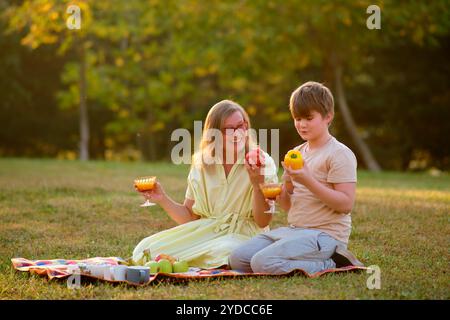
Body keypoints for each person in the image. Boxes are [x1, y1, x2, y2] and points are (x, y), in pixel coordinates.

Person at [229, 81, 364, 275]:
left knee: (262, 263)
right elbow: (289, 206)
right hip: (295, 230)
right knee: (238, 259)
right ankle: (302, 258)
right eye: (297, 118)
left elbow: (345, 205)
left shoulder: (339, 154)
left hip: (326, 236)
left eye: (308, 118)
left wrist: (308, 180)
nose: (301, 124)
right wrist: (266, 187)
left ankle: (333, 263)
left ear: (328, 117)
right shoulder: (296, 153)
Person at [132, 100, 278, 269]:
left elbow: (263, 221)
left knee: (227, 250)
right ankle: (205, 261)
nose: (237, 133)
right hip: (206, 231)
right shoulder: (202, 163)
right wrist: (162, 198)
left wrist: (257, 183)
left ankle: (199, 260)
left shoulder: (262, 162)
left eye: (241, 126)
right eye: (229, 129)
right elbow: (190, 216)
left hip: (243, 235)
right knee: (145, 249)